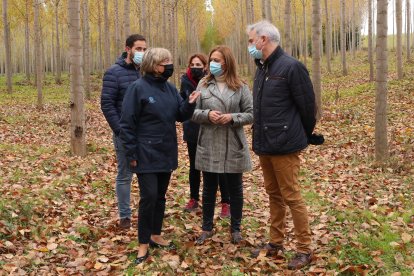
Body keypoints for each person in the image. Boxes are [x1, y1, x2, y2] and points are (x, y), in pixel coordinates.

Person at [246, 20, 324, 270]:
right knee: (274, 195)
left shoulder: (291, 67)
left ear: (264, 40)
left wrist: (300, 135)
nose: (250, 45)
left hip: (285, 145)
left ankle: (304, 249)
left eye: (251, 40)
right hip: (265, 144)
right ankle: (276, 241)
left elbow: (307, 107)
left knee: (291, 195)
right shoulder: (262, 67)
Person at [119, 48, 200, 264]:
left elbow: (179, 115)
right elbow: (127, 124)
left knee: (161, 196)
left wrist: (190, 102)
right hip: (144, 153)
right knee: (149, 197)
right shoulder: (137, 88)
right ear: (155, 66)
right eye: (167, 61)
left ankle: (156, 234)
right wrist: (131, 152)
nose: (171, 65)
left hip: (166, 150)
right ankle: (143, 243)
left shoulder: (169, 88)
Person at [192, 45, 253, 245]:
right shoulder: (203, 84)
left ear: (227, 62)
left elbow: (252, 113)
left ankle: (236, 229)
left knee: (235, 189)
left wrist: (232, 117)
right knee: (209, 188)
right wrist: (207, 115)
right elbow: (192, 112)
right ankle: (206, 228)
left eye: (217, 60)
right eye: (211, 60)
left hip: (233, 143)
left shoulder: (240, 85)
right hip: (208, 142)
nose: (213, 64)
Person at [101, 34, 147, 229]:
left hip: (146, 133)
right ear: (127, 49)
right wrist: (120, 130)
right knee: (125, 174)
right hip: (124, 134)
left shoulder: (146, 72)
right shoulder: (114, 73)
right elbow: (107, 104)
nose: (142, 53)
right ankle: (125, 217)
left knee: (146, 173)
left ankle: (147, 213)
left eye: (145, 49)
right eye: (138, 49)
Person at [180, 53, 231, 217]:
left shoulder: (211, 81)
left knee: (219, 167)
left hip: (211, 129)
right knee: (194, 166)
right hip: (192, 129)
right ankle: (194, 199)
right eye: (192, 64)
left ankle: (225, 202)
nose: (195, 67)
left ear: (205, 66)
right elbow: (182, 103)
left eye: (198, 64)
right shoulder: (184, 81)